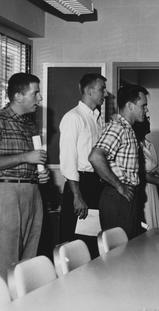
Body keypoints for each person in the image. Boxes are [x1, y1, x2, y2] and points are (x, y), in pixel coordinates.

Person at [0, 73, 50, 279]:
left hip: (32, 191)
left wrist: (40, 174)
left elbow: (32, 160)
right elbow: (27, 157)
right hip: (8, 193)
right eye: (35, 93)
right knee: (6, 259)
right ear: (18, 96)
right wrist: (26, 157)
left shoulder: (30, 124)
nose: (40, 98)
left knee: (29, 258)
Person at [89, 84, 149, 239]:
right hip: (117, 197)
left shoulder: (128, 129)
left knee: (130, 248)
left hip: (126, 196)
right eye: (143, 106)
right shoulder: (118, 128)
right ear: (130, 105)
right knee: (120, 253)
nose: (146, 110)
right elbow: (95, 156)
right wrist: (119, 185)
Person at [59, 73, 107, 256]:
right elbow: (68, 160)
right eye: (102, 88)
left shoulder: (97, 119)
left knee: (92, 241)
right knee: (75, 243)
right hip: (79, 185)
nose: (105, 93)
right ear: (88, 90)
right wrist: (77, 195)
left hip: (96, 184)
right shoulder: (73, 118)